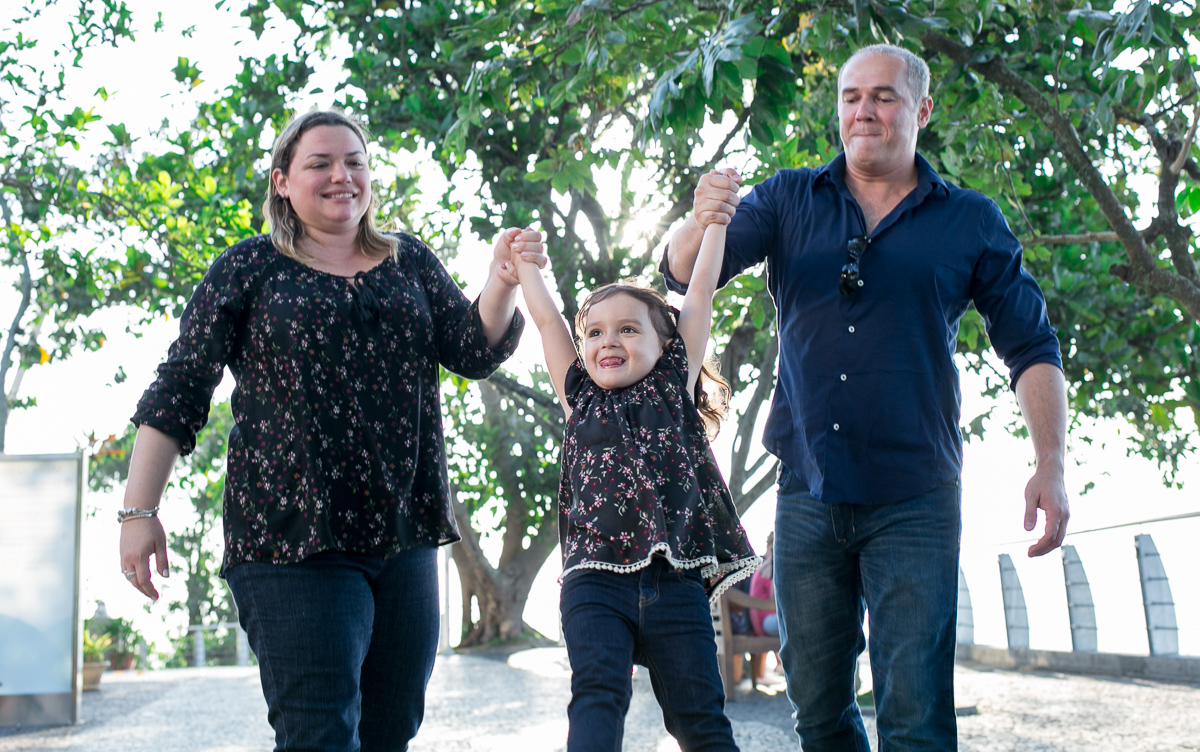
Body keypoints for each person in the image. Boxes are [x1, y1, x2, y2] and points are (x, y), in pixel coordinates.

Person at [662, 43, 1070, 751]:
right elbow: (680, 272)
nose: (864, 110)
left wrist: (1051, 462)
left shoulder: (971, 220)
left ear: (922, 109)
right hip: (808, 491)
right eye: (851, 96)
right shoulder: (789, 198)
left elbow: (1032, 345)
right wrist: (701, 217)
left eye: (882, 96)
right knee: (817, 711)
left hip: (917, 496)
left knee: (915, 717)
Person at [117, 109, 543, 752]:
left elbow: (472, 349)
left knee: (389, 732)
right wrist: (138, 510)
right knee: (319, 734)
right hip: (291, 540)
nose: (342, 175)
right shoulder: (247, 270)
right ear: (283, 181)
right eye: (320, 163)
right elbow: (180, 388)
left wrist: (502, 282)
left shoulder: (409, 262)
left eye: (354, 162)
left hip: (406, 536)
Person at [512, 222, 760, 752]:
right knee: (597, 698)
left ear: (665, 342)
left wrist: (716, 222)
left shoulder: (674, 382)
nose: (609, 341)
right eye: (595, 333)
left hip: (676, 585)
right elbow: (547, 320)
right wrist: (527, 262)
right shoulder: (579, 395)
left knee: (699, 720)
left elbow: (700, 291)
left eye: (628, 329)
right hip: (594, 581)